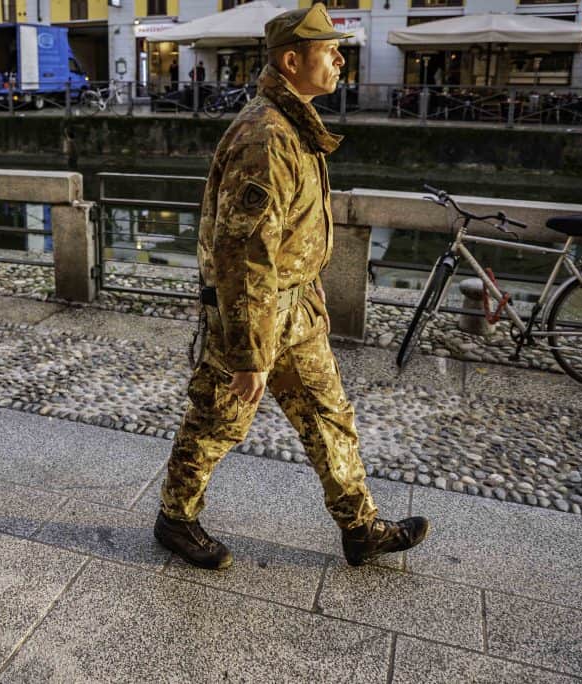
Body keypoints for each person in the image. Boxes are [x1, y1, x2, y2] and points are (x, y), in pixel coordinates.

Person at [153, 4, 430, 571]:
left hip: (295, 309)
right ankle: (175, 520)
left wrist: (311, 284)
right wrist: (249, 353)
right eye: (328, 50)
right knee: (217, 421)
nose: (339, 58)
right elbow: (243, 256)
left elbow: (288, 236)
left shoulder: (294, 125)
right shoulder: (267, 138)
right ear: (290, 60)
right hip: (252, 315)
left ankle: (360, 527)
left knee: (329, 415)